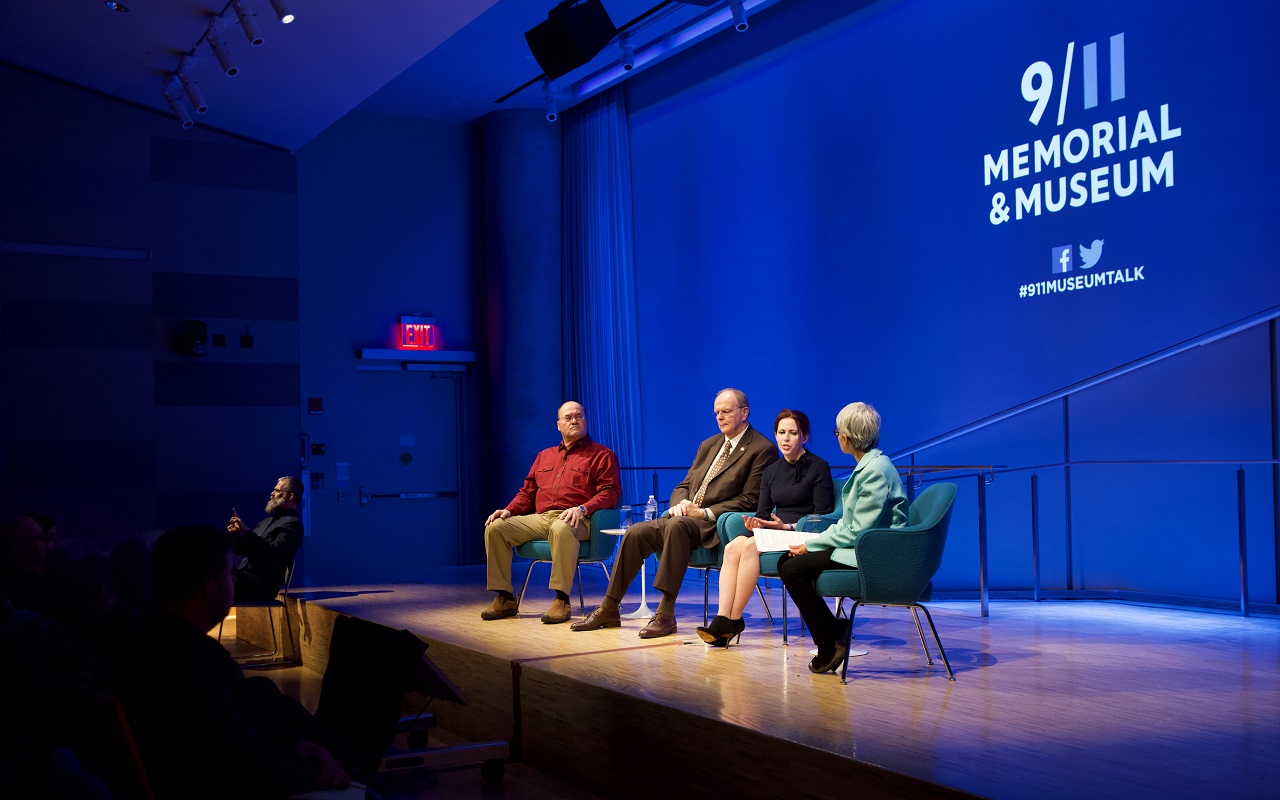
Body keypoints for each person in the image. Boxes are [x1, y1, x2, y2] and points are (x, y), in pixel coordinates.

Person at [114, 524, 349, 799]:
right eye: (230, 573)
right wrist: (314, 773)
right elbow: (246, 762)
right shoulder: (193, 663)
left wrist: (292, 743)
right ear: (211, 589)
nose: (234, 581)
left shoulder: (141, 641)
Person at [573, 388, 777, 639]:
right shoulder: (709, 444)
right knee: (636, 532)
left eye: (726, 411)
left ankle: (666, 613)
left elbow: (750, 499)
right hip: (684, 516)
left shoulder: (761, 448)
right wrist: (680, 504)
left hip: (711, 524)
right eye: (716, 413)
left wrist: (702, 512)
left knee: (676, 527)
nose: (720, 417)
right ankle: (609, 606)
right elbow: (684, 484)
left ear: (744, 412)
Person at [778, 402, 907, 673]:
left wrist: (811, 544)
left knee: (792, 568)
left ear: (846, 437)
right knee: (787, 562)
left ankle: (828, 642)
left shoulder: (874, 471)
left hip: (874, 551)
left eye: (838, 432)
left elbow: (858, 529)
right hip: (861, 544)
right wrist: (811, 543)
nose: (837, 436)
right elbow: (848, 524)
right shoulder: (869, 465)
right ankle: (833, 630)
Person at [697, 408, 834, 647]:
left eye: (793, 433)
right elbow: (762, 510)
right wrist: (757, 523)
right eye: (781, 432)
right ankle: (722, 618)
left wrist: (788, 526)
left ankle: (734, 620)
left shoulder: (818, 466)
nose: (786, 438)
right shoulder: (772, 470)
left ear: (805, 437)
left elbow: (820, 515)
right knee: (733, 546)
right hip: (774, 529)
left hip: (800, 532)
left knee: (750, 545)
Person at [482, 401, 621, 624]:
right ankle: (505, 597)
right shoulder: (544, 456)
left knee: (561, 526)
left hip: (580, 519)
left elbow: (610, 492)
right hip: (542, 518)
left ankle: (562, 599)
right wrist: (508, 510)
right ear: (559, 425)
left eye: (579, 416)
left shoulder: (602, 455)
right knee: (496, 527)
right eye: (568, 417)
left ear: (586, 420)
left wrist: (583, 508)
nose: (574, 420)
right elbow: (527, 492)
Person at [227, 477, 303, 602]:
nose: (272, 494)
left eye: (277, 491)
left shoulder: (292, 525)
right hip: (246, 579)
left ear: (290, 496)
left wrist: (246, 532)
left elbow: (272, 553)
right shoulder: (266, 522)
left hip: (262, 585)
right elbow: (242, 550)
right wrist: (235, 534)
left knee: (218, 571)